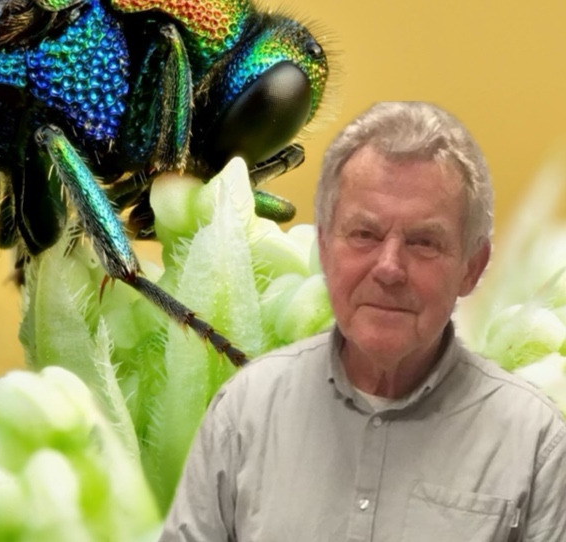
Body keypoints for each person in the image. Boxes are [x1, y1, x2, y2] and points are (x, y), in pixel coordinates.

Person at [160, 101, 566, 541]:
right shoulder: (243, 410)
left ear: (472, 266)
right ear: (325, 246)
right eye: (364, 235)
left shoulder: (536, 438)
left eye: (424, 241)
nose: (389, 268)